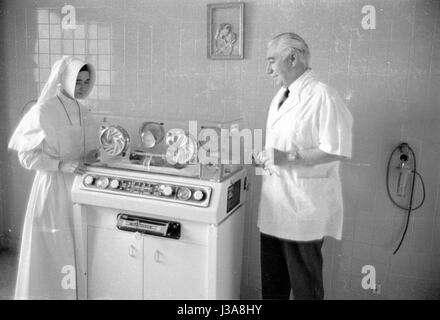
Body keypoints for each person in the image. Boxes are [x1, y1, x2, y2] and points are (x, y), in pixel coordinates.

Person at [254, 33, 353, 300]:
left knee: (305, 288)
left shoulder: (323, 95)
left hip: (302, 210)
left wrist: (287, 157)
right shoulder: (280, 96)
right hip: (275, 205)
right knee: (272, 285)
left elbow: (338, 150)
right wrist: (268, 156)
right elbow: (285, 144)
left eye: (271, 61)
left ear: (293, 58)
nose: (267, 69)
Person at [8, 56, 96, 299]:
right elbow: (26, 156)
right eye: (77, 81)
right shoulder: (43, 110)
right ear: (64, 79)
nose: (82, 87)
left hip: (79, 186)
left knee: (78, 245)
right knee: (55, 246)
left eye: (87, 82)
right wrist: (60, 164)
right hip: (53, 188)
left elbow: (83, 148)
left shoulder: (84, 110)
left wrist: (92, 153)